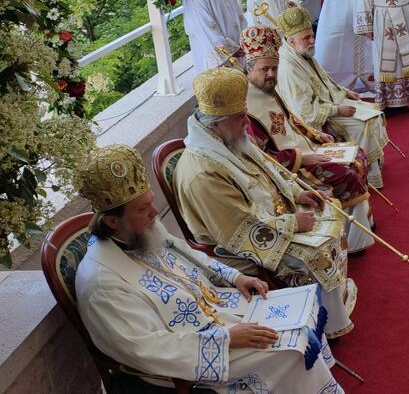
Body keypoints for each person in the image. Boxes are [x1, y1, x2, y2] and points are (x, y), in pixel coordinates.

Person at [73, 144, 344, 393]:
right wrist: (226, 339)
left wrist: (235, 276)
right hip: (195, 352)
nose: (155, 213)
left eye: (151, 202)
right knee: (290, 348)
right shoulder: (102, 284)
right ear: (111, 221)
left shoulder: (140, 231)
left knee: (301, 307)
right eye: (144, 209)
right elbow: (143, 348)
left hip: (217, 309)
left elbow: (190, 254)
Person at [174, 67, 357, 340]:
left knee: (330, 209)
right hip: (237, 248)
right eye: (239, 118)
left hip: (272, 217)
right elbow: (238, 229)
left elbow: (271, 171)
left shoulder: (229, 140)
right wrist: (294, 222)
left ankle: (331, 304)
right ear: (214, 124)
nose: (246, 123)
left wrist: (297, 194)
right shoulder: (202, 173)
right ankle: (327, 323)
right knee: (315, 254)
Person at [241, 25, 374, 253]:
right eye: (265, 69)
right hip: (289, 167)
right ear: (250, 68)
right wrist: (303, 158)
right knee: (347, 173)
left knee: (356, 154)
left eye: (274, 68)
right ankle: (352, 243)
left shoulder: (268, 89)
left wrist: (316, 134)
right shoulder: (246, 107)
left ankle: (359, 229)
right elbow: (260, 157)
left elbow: (291, 120)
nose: (271, 74)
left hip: (304, 147)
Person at [275, 7, 390, 188]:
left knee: (374, 111)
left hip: (332, 101)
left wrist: (344, 91)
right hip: (319, 117)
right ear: (291, 41)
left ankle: (372, 166)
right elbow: (304, 111)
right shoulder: (288, 68)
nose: (313, 41)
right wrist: (338, 109)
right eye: (306, 38)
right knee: (364, 125)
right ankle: (366, 176)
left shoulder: (302, 52)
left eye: (312, 35)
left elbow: (323, 79)